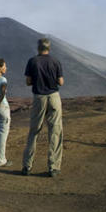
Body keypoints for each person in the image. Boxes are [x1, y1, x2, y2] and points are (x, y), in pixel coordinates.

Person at [21, 37, 64, 177]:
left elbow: (28, 81)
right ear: (49, 48)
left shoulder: (32, 61)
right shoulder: (56, 61)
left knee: (34, 130)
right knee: (55, 131)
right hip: (54, 97)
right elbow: (61, 82)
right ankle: (54, 167)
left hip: (39, 97)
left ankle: (27, 166)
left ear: (38, 48)